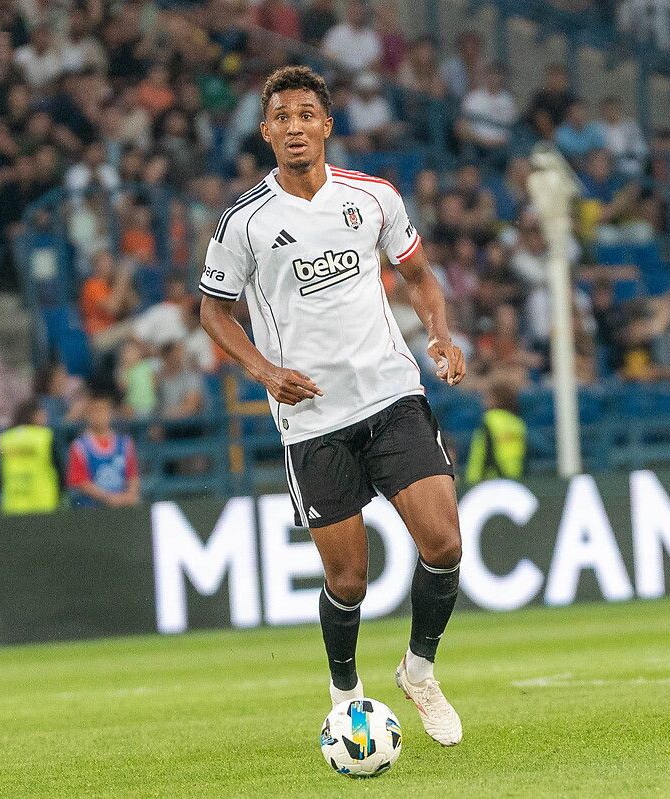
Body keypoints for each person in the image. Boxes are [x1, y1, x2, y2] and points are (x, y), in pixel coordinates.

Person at [198, 66, 466, 746]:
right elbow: (213, 311)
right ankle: (345, 690)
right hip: (313, 419)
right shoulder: (244, 223)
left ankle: (419, 670)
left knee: (444, 543)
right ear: (266, 132)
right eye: (282, 117)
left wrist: (439, 333)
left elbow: (418, 275)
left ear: (326, 125)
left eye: (306, 115)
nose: (295, 127)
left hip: (391, 393)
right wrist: (265, 372)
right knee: (348, 581)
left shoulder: (372, 197)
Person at [66, 391, 140, 508]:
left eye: (103, 410)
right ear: (87, 415)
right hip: (91, 508)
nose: (99, 415)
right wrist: (108, 498)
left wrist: (130, 495)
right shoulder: (80, 446)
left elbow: (132, 475)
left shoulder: (125, 443)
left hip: (121, 505)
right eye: (94, 411)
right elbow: (80, 481)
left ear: (110, 413)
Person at [0, 400, 62, 515]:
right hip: (43, 501)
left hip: (13, 503)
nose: (45, 417)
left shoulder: (5, 438)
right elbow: (58, 466)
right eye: (42, 414)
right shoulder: (45, 436)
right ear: (33, 416)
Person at [465, 380, 526, 483]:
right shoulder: (518, 423)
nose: (484, 400)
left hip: (491, 479)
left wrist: (475, 480)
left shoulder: (490, 419)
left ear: (496, 399)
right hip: (516, 477)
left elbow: (487, 451)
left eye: (487, 397)